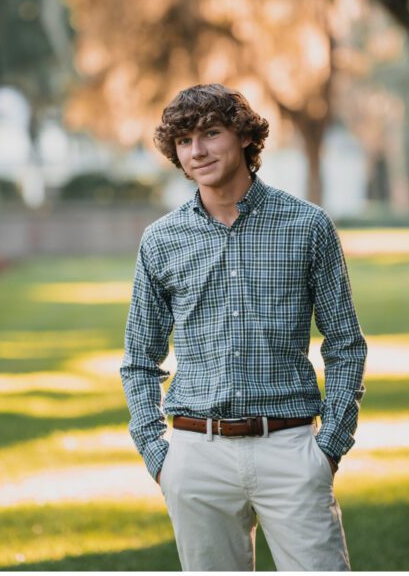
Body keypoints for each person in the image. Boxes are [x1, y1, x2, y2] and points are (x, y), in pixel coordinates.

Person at [120, 83, 367, 571]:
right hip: (195, 456)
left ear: (244, 138)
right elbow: (138, 360)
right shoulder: (160, 242)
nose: (198, 150)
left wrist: (329, 447)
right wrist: (158, 455)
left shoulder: (307, 227)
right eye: (185, 140)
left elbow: (345, 345)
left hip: (292, 450)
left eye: (211, 133)